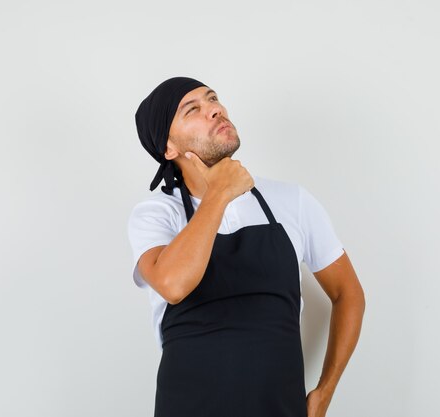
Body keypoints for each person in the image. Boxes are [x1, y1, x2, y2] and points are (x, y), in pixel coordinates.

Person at [128, 76, 365, 417]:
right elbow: (174, 284)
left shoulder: (292, 201)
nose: (215, 110)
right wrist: (220, 191)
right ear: (168, 148)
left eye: (213, 99)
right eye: (193, 109)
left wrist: (324, 393)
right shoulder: (155, 215)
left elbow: (348, 294)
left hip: (279, 408)